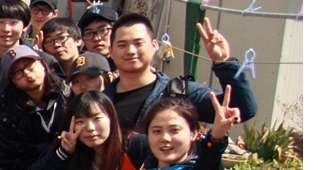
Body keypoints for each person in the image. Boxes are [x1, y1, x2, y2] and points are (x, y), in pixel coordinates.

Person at [108, 13, 255, 134]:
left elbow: (243, 109)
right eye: (122, 45)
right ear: (111, 51)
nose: (131, 51)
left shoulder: (180, 94)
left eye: (138, 43)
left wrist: (224, 63)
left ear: (154, 46)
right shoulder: (101, 100)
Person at [0, 44, 68, 170]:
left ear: (42, 64)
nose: (26, 73)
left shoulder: (69, 95)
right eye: (17, 72)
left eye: (29, 65)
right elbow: (12, 161)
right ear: (13, 82)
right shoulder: (7, 114)